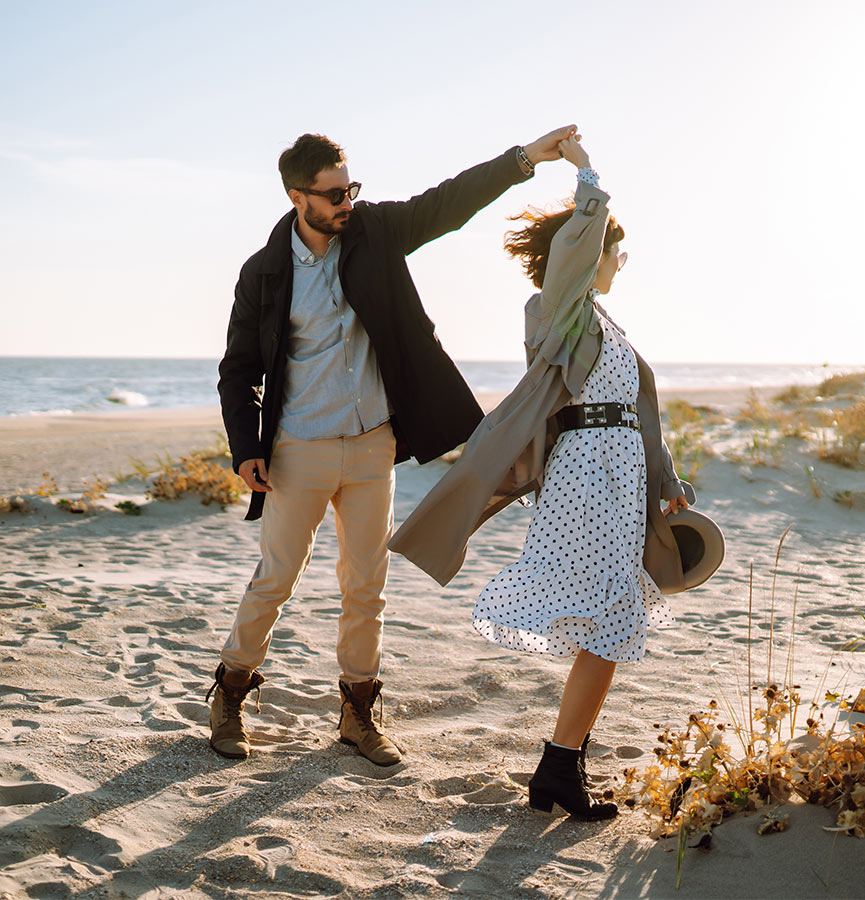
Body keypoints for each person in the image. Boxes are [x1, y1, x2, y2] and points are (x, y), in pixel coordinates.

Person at [209, 125, 578, 766]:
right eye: (332, 193)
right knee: (276, 579)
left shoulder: (376, 233)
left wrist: (524, 159)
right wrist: (246, 447)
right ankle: (231, 696)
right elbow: (237, 367)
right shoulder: (265, 272)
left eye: (351, 186)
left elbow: (446, 203)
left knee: (366, 586)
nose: (346, 200)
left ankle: (357, 714)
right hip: (299, 447)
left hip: (372, 444)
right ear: (299, 197)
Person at [389, 135, 695, 816]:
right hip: (584, 479)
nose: (621, 261)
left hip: (620, 478)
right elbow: (574, 255)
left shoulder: (612, 327)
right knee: (610, 617)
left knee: (612, 620)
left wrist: (666, 480)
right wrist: (588, 178)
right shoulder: (560, 312)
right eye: (616, 249)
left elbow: (640, 417)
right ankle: (560, 767)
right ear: (590, 251)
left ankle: (561, 767)